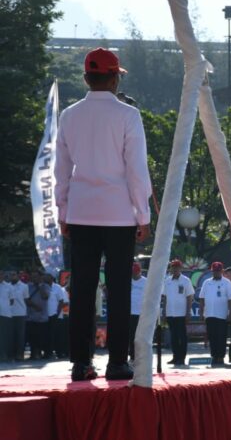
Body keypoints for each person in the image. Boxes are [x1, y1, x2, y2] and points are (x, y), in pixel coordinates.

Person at [55, 48, 152, 381]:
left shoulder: (69, 115)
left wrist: (63, 211)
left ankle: (81, 363)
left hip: (81, 212)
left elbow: (61, 170)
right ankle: (117, 362)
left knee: (82, 290)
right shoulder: (128, 115)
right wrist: (143, 214)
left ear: (86, 79)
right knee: (119, 289)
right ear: (114, 79)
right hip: (119, 214)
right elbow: (136, 169)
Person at [199, 262, 231, 367]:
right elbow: (202, 298)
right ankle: (214, 356)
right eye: (214, 271)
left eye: (218, 271)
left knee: (221, 337)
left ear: (222, 271)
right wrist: (201, 313)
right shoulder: (207, 282)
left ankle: (221, 357)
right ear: (212, 271)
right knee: (212, 337)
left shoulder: (227, 283)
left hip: (222, 315)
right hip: (209, 314)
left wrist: (230, 314)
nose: (216, 273)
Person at [162, 260, 193, 367]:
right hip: (170, 313)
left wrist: (188, 312)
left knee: (182, 336)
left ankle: (182, 358)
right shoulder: (167, 280)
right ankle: (175, 357)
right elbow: (165, 297)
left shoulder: (186, 280)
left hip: (181, 313)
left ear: (181, 268)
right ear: (170, 268)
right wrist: (164, 312)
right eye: (173, 267)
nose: (175, 269)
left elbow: (189, 297)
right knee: (173, 336)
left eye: (177, 267)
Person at [26, 272, 51, 360]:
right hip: (31, 317)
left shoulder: (46, 286)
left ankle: (45, 353)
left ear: (40, 277)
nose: (34, 279)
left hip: (42, 317)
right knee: (32, 337)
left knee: (42, 337)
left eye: (36, 277)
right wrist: (34, 306)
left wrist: (40, 286)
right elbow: (26, 299)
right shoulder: (28, 286)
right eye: (33, 277)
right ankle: (33, 354)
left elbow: (45, 296)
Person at [8, 271, 29, 362]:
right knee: (10, 335)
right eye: (10, 275)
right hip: (9, 313)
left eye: (13, 275)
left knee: (20, 335)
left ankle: (20, 355)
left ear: (18, 276)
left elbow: (26, 300)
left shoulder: (24, 286)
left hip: (20, 313)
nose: (12, 276)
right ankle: (11, 355)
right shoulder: (7, 286)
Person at [128, 262, 147, 361]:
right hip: (130, 313)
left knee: (140, 336)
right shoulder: (128, 281)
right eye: (133, 273)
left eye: (136, 272)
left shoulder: (146, 282)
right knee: (131, 335)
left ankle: (141, 355)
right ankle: (132, 355)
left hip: (141, 314)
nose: (134, 275)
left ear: (140, 271)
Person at [0, 274, 12, 361]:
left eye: (1, 275)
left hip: (5, 313)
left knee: (4, 336)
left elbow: (12, 300)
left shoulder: (8, 286)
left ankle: (4, 354)